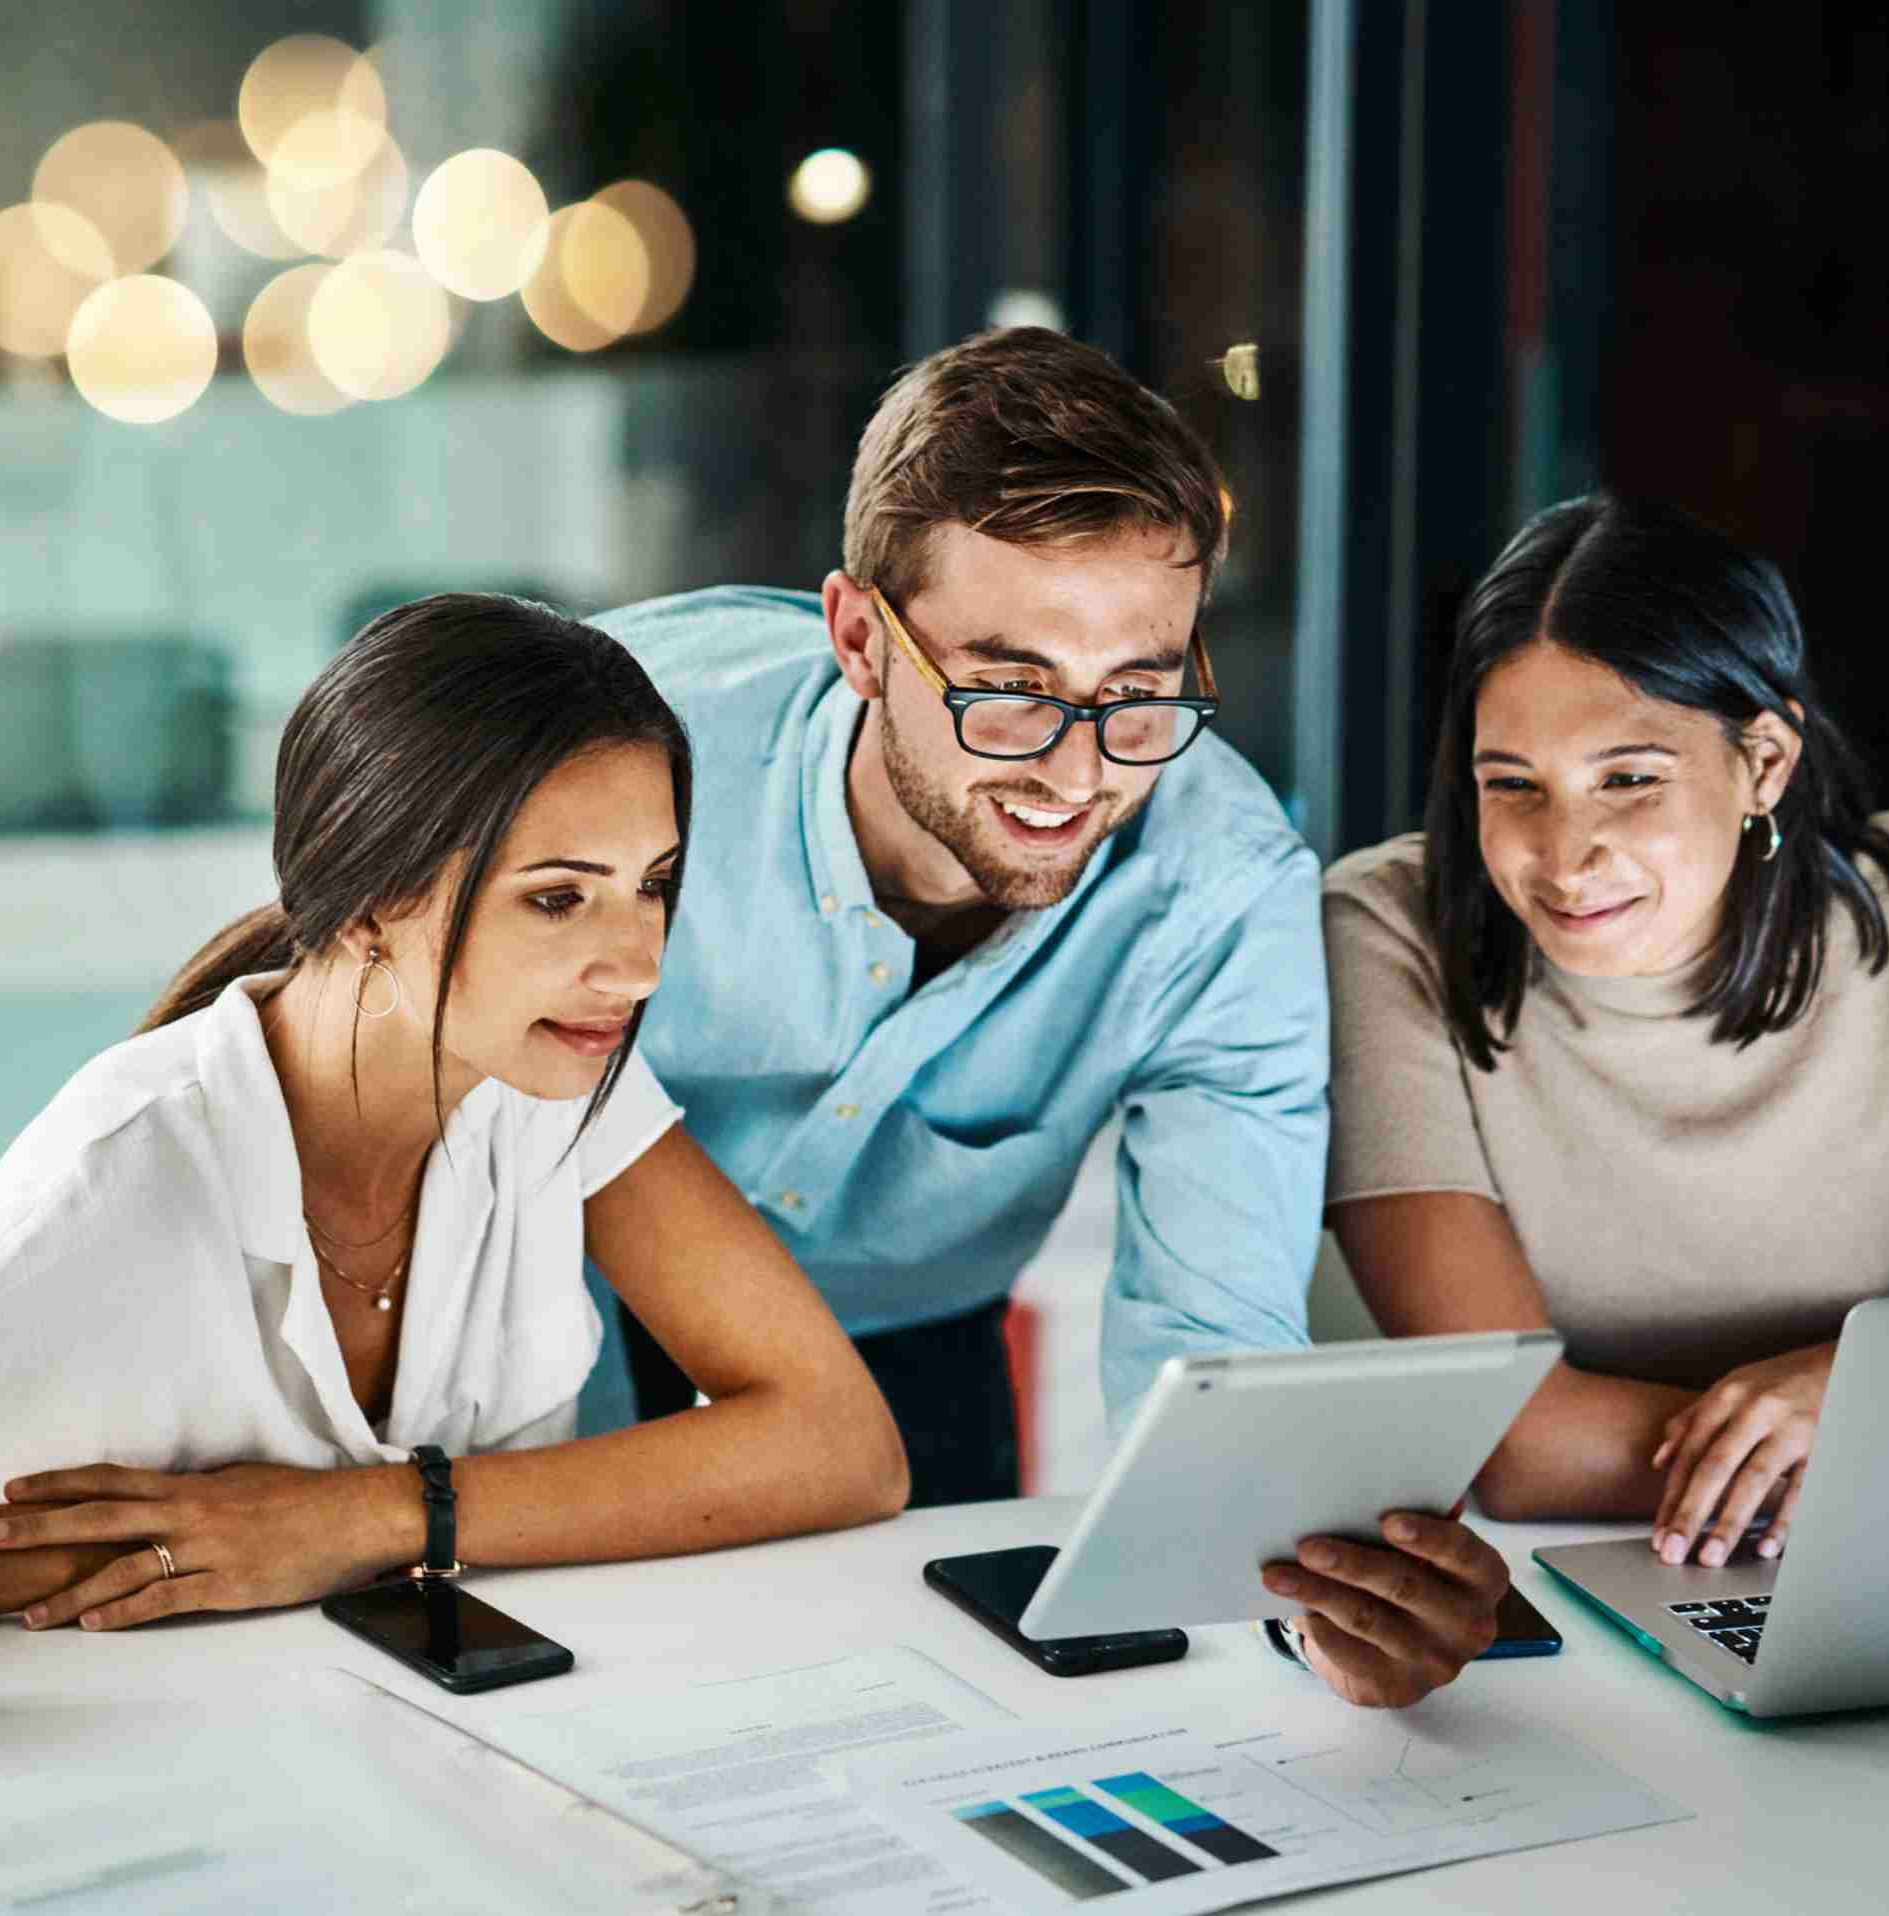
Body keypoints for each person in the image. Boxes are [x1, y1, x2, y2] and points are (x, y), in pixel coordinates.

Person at [0, 595, 907, 1681]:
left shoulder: (554, 1084)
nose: (639, 962)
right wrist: (54, 1565)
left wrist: (359, 1520)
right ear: (367, 902)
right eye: (558, 900)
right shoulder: (123, 1192)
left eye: (653, 886)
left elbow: (844, 1446)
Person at [596, 327, 1509, 1709]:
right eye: (1010, 689)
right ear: (856, 637)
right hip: (560, 1330)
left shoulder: (1220, 888)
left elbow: (1215, 1345)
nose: (1077, 771)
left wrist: (1318, 1613)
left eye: (1137, 693)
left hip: (907, 1359)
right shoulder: (614, 745)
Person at [1324, 495, 1889, 1572]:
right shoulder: (1383, 925)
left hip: (1835, 1553)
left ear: (1766, 763)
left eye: (1630, 778)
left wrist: (1877, 1395)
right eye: (1514, 785)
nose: (1565, 853)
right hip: (1490, 1572)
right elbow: (1517, 1442)